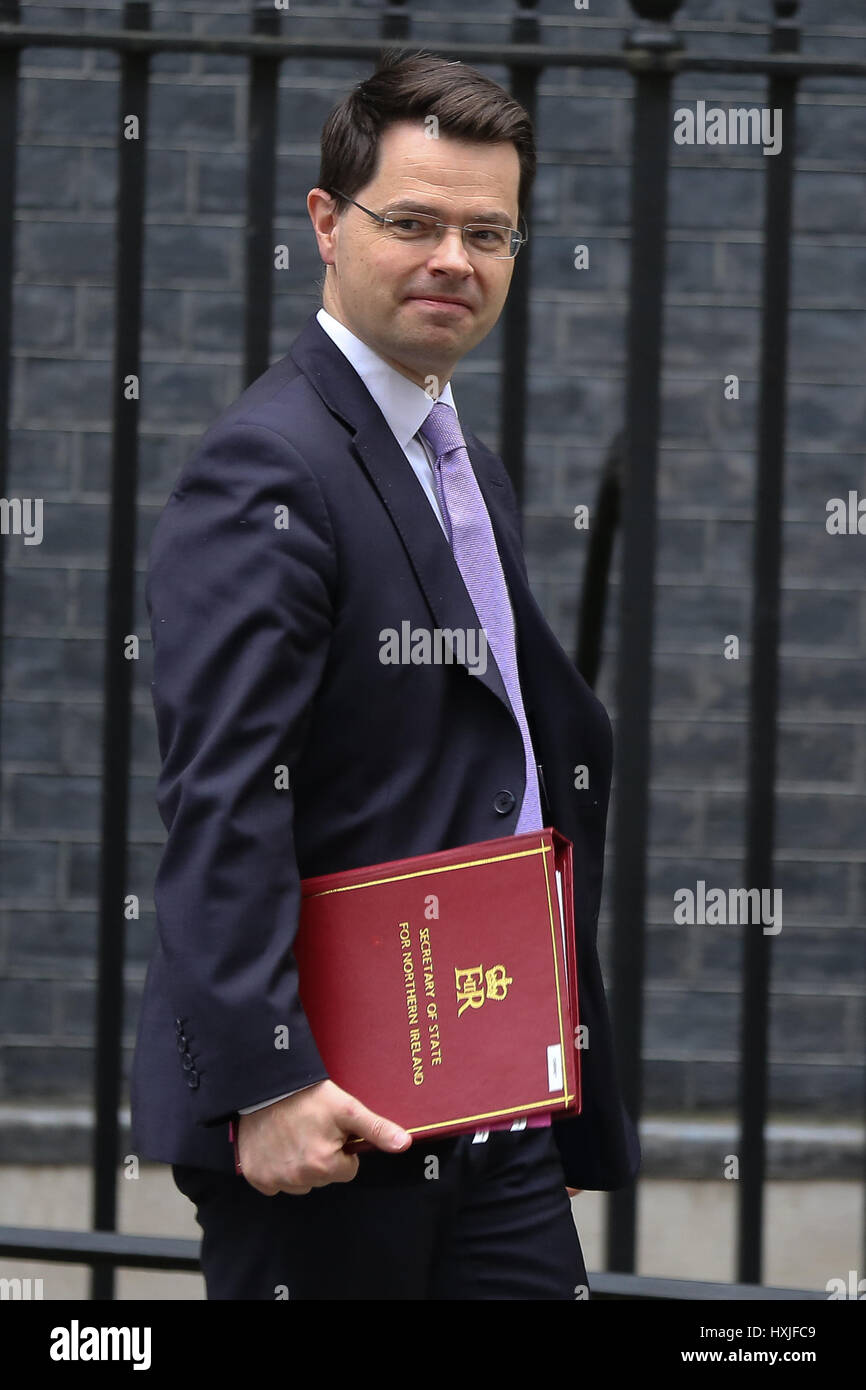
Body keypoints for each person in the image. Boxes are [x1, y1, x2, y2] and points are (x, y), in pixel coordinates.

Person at [130, 48, 640, 1301]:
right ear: (326, 223)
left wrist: (538, 1064)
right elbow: (227, 792)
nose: (451, 259)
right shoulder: (267, 468)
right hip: (336, 1112)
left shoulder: (453, 453)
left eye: (487, 230)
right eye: (412, 221)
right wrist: (270, 1079)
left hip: (486, 1092)